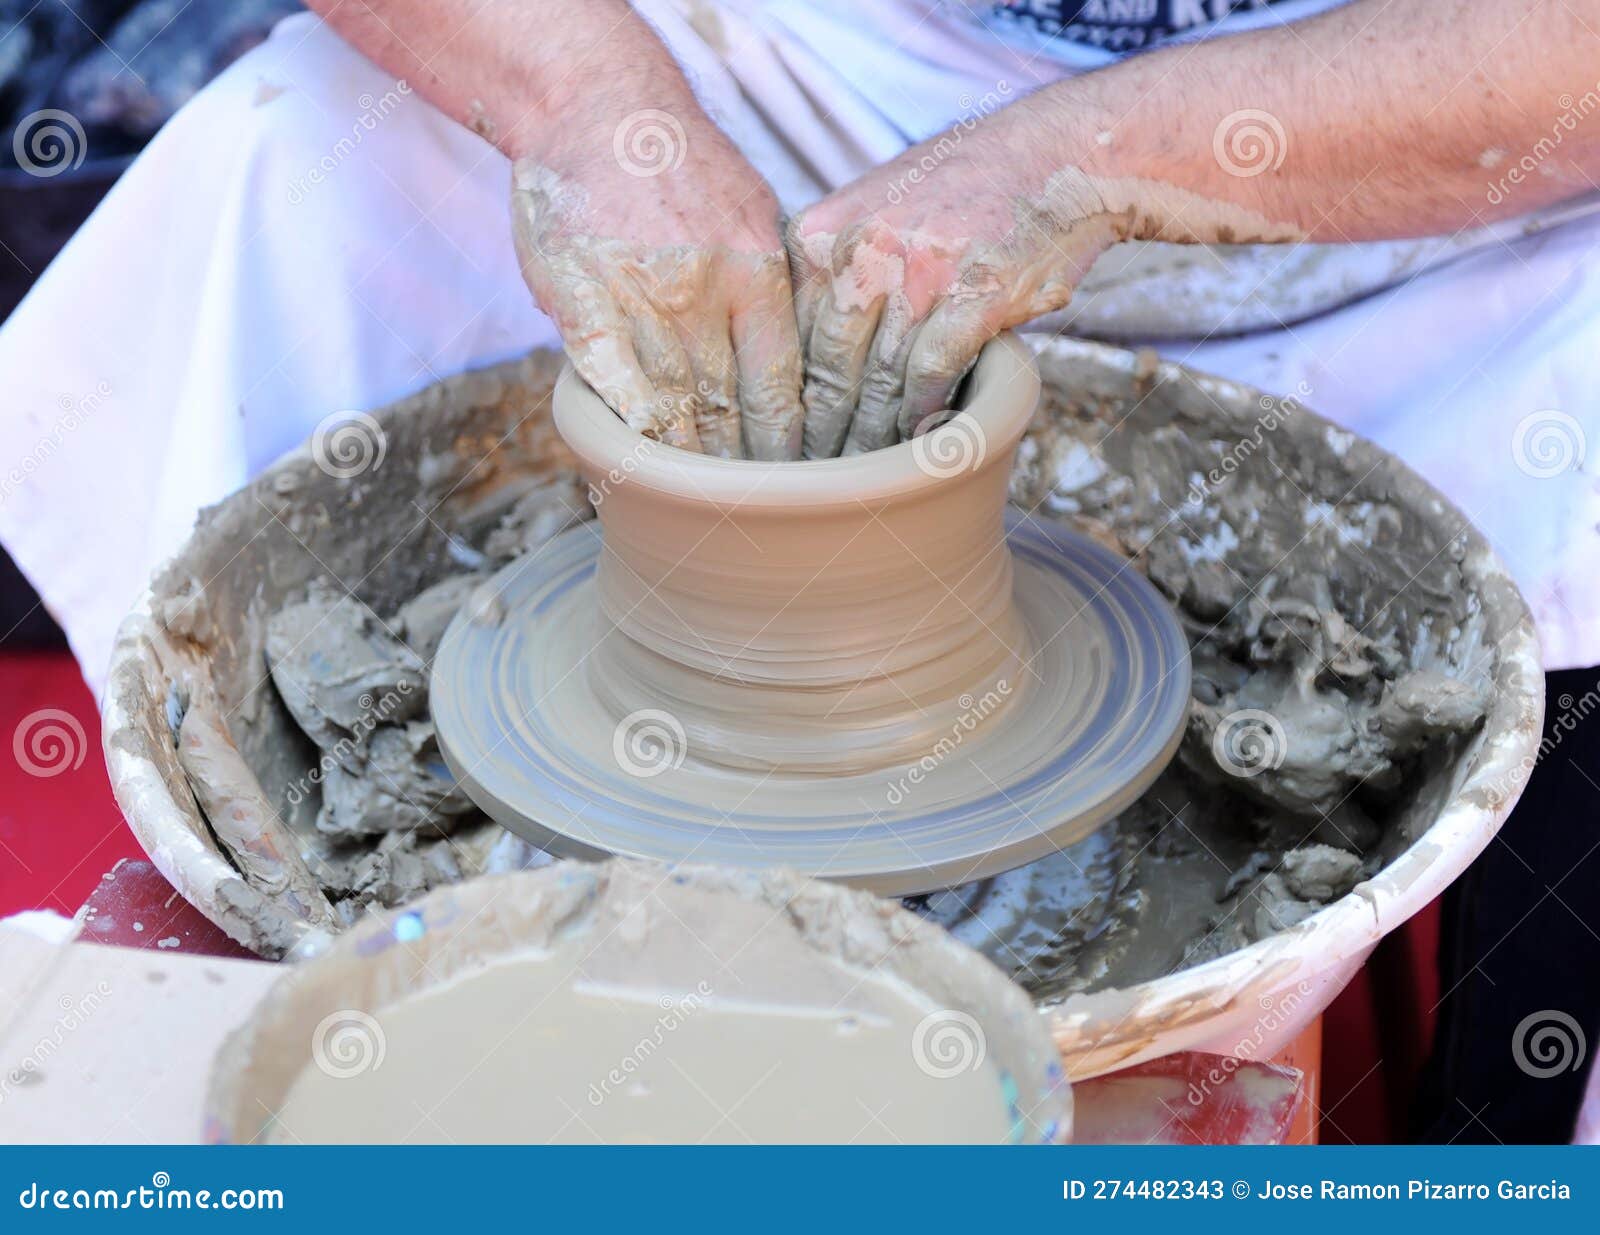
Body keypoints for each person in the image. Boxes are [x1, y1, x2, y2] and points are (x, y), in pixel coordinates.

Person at [1, 0, 1597, 1140]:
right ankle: (301, 1016)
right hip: (809, 66)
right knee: (290, 160)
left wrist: (1075, 165)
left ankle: (1493, 1132)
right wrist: (586, 106)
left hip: (1417, 137)